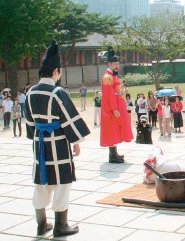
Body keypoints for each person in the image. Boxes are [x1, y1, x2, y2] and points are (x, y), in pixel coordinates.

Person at [24, 41, 90, 237]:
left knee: (42, 182)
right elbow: (69, 119)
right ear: (56, 71)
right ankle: (61, 225)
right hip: (58, 143)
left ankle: (41, 224)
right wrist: (76, 142)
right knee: (62, 182)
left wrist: (35, 137)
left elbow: (29, 123)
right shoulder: (57, 92)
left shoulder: (30, 92)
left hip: (39, 142)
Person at [100, 46, 133, 163]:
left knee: (115, 129)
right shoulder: (108, 77)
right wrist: (114, 109)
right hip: (111, 107)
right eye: (115, 64)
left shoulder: (112, 76)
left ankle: (115, 153)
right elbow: (109, 94)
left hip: (116, 104)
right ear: (109, 64)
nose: (117, 66)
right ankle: (112, 155)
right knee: (111, 129)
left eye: (118, 64)